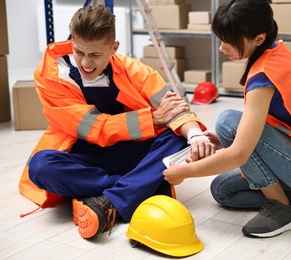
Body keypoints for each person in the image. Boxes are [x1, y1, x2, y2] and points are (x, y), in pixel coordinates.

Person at [163, 0, 291, 238]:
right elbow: (281, 120)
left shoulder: (263, 75)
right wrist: (222, 140)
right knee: (223, 190)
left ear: (258, 38)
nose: (222, 48)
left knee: (228, 122)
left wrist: (185, 172)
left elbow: (240, 154)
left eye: (229, 40)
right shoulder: (275, 52)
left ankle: (284, 209)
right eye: (221, 39)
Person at [18, 4, 215, 239]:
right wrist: (151, 118)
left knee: (178, 138)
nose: (85, 63)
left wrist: (195, 134)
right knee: (41, 166)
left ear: (114, 48)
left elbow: (173, 107)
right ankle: (137, 187)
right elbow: (92, 127)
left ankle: (111, 199)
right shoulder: (51, 76)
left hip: (129, 152)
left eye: (95, 55)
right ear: (72, 44)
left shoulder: (134, 70)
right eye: (79, 52)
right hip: (83, 156)